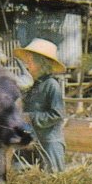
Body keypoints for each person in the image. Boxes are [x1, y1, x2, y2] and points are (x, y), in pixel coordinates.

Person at [14, 38, 67, 173]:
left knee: (53, 183)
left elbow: (57, 114)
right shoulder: (31, 87)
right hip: (31, 142)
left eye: (30, 61)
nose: (27, 65)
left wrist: (30, 117)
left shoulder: (51, 85)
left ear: (41, 63)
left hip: (50, 144)